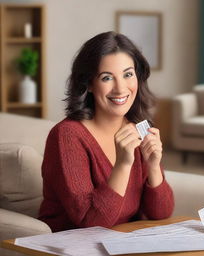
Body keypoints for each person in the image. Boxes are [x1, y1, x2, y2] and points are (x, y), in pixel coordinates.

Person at [38, 31, 174, 232]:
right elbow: (90, 222)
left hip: (122, 243)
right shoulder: (67, 136)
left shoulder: (139, 126)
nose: (120, 89)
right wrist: (123, 163)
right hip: (71, 246)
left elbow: (161, 213)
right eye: (107, 77)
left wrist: (153, 167)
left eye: (128, 74)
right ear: (89, 83)